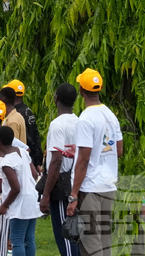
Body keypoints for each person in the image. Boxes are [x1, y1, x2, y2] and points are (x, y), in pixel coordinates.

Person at [67, 69, 123, 256]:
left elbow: (83, 160)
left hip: (90, 187)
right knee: (104, 242)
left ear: (81, 90)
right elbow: (119, 151)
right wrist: (82, 151)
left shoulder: (86, 118)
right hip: (108, 186)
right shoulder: (110, 115)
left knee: (91, 243)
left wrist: (74, 195)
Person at [0, 126, 41, 256]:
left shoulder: (6, 162)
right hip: (32, 198)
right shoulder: (22, 152)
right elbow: (34, 174)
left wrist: (4, 206)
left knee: (17, 240)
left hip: (19, 204)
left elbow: (16, 188)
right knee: (29, 239)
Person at [41, 83, 80, 256]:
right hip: (75, 181)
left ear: (56, 99)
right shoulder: (79, 121)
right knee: (74, 233)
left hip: (61, 184)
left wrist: (46, 194)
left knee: (65, 235)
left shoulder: (57, 125)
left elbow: (56, 161)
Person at [8, 79, 43, 169]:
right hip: (31, 158)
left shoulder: (16, 115)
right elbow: (36, 136)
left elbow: (28, 138)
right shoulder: (28, 111)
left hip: (23, 158)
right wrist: (38, 161)